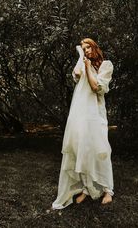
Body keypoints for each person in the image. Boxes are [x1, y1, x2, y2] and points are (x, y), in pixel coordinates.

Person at [51, 38, 114, 210]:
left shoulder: (106, 65)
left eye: (88, 48)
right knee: (82, 149)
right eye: (84, 48)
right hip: (81, 115)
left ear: (95, 47)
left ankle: (108, 190)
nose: (86, 51)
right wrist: (80, 57)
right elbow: (77, 75)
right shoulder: (83, 62)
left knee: (101, 150)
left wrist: (88, 66)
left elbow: (96, 87)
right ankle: (87, 188)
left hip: (96, 114)